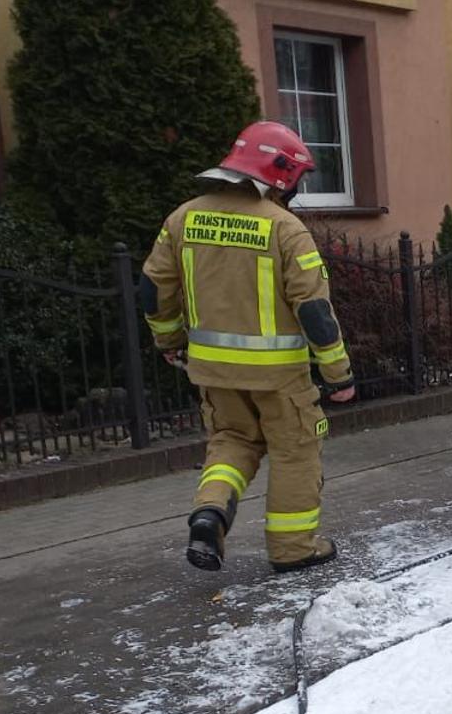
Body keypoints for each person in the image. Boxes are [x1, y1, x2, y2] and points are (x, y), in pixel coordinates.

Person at [141, 121, 356, 574]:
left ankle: (210, 513)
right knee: (295, 451)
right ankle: (293, 548)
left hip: (213, 372)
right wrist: (339, 376)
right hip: (279, 377)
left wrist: (169, 340)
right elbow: (314, 311)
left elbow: (153, 288)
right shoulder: (284, 228)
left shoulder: (183, 218)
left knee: (231, 444)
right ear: (279, 174)